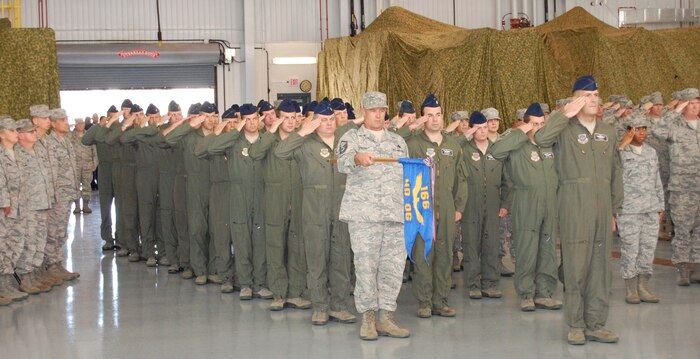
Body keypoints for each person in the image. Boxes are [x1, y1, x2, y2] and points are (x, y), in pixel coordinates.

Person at [534, 75, 623, 345]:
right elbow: (540, 139)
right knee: (576, 267)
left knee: (601, 268)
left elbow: (616, 171)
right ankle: (575, 324)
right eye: (587, 95)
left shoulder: (608, 130)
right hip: (574, 204)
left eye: (596, 95)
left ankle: (596, 323)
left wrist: (614, 210)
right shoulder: (565, 128)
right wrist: (563, 114)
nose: (593, 100)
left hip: (602, 206)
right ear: (576, 99)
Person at [336, 91, 410, 340]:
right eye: (373, 110)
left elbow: (409, 176)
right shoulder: (352, 137)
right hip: (364, 215)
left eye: (381, 110)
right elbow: (342, 162)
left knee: (393, 267)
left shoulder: (399, 142)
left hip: (395, 213)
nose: (378, 114)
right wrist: (357, 158)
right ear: (364, 112)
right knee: (366, 266)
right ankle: (367, 318)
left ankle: (386, 317)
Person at [275, 98, 355, 326]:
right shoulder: (305, 143)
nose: (329, 124)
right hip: (314, 210)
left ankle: (339, 306)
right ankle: (320, 307)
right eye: (323, 120)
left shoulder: (346, 142)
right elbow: (280, 152)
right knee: (317, 259)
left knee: (340, 259)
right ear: (314, 121)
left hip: (341, 207)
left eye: (331, 119)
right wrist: (302, 131)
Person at [489, 102, 562, 312]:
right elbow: (496, 151)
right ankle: (526, 293)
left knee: (547, 250)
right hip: (526, 201)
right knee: (527, 249)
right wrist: (520, 131)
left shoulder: (549, 145)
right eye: (534, 124)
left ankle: (544, 293)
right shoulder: (516, 144)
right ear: (526, 124)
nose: (539, 127)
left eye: (541, 124)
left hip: (550, 202)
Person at [407, 94, 468, 318]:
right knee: (423, 256)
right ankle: (424, 302)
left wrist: (459, 206)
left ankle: (441, 301)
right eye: (429, 115)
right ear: (423, 118)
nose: (435, 119)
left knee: (445, 256)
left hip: (448, 209)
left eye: (438, 115)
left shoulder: (453, 145)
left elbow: (462, 178)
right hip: (421, 211)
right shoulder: (413, 145)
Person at [248, 99, 311, 309]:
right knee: (275, 246)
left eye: (294, 118)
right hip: (275, 199)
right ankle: (278, 293)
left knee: (298, 246)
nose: (291, 122)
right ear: (276, 117)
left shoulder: (303, 139)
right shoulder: (269, 140)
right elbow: (254, 154)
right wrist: (269, 132)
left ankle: (295, 292)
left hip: (299, 198)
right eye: (286, 117)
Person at [206, 104, 272, 298]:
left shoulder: (267, 139)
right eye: (247, 119)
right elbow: (212, 147)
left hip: (261, 194)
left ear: (259, 120)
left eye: (254, 119)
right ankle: (245, 284)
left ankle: (260, 283)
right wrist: (236, 130)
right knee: (241, 239)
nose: (251, 123)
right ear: (243, 120)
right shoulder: (234, 140)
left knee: (260, 241)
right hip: (238, 194)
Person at [651, 88, 700, 286]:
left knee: (699, 230)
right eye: (691, 104)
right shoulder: (675, 127)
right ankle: (682, 268)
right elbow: (657, 130)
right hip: (682, 188)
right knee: (682, 230)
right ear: (683, 105)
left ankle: (697, 266)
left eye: (697, 103)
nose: (695, 107)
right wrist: (675, 111)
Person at [164, 102, 217, 284]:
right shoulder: (190, 136)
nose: (211, 120)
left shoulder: (221, 134)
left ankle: (213, 268)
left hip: (217, 186)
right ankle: (198, 269)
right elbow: (169, 140)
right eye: (206, 117)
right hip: (195, 185)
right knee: (197, 229)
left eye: (213, 116)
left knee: (216, 230)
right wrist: (188, 125)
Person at [460, 111, 510, 300]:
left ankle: (490, 284)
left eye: (484, 127)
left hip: (493, 205)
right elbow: (451, 147)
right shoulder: (464, 150)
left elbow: (508, 180)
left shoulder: (497, 150)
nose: (482, 131)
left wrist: (505, 203)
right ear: (472, 129)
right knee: (471, 245)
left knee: (491, 245)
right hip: (470, 206)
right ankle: (473, 284)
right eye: (478, 128)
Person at [616, 113, 663, 304]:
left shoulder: (651, 152)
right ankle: (630, 289)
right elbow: (609, 170)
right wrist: (621, 145)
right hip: (629, 210)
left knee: (648, 249)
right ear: (628, 131)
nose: (642, 132)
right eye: (637, 129)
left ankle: (643, 286)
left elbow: (657, 179)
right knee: (630, 249)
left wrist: (661, 205)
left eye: (644, 128)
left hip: (650, 208)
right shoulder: (619, 152)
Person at [13, 119, 53, 294]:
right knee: (29, 242)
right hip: (27, 206)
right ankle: (25, 276)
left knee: (38, 240)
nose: (34, 134)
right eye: (30, 132)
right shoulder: (17, 154)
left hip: (40, 203)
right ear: (20, 135)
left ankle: (35, 273)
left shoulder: (35, 151)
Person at [44, 108, 80, 280]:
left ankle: (58, 263)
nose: (67, 123)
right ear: (53, 123)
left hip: (68, 193)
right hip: (58, 195)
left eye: (66, 119)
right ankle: (50, 265)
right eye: (63, 120)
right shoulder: (50, 143)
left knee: (62, 232)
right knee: (53, 231)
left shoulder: (66, 140)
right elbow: (51, 172)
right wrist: (53, 195)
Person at [0, 117, 29, 303]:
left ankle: (9, 282)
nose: (16, 134)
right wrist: (5, 203)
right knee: (3, 244)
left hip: (19, 205)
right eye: (12, 131)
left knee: (15, 243)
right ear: (1, 134)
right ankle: (2, 286)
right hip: (5, 207)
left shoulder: (16, 152)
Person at [69, 118, 98, 214]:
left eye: (82, 124)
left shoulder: (89, 135)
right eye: (78, 124)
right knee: (75, 186)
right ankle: (77, 206)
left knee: (87, 185)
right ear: (75, 125)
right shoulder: (70, 136)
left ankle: (86, 205)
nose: (81, 125)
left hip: (87, 164)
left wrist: (95, 163)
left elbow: (94, 149)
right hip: (75, 165)